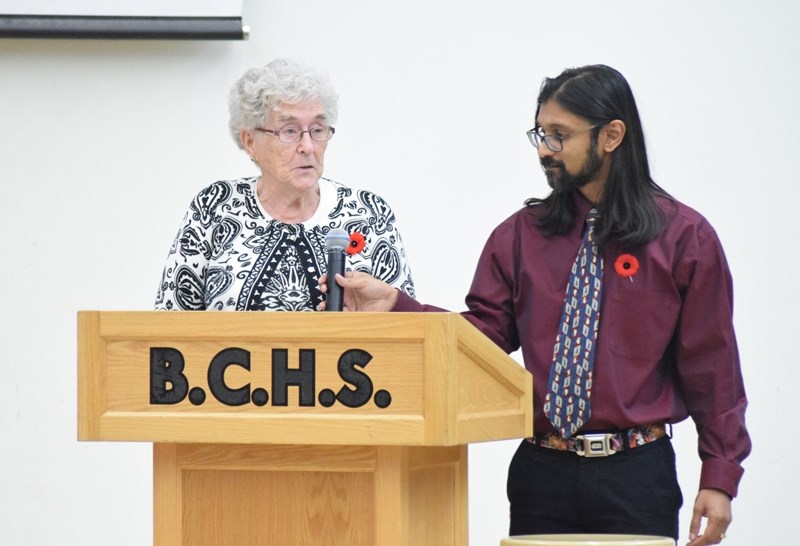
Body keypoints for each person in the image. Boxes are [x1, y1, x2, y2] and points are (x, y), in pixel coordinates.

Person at [319, 65, 750, 545]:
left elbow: (712, 366)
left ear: (611, 136)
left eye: (560, 135)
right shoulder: (520, 236)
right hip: (541, 473)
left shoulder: (684, 238)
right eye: (541, 134)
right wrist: (399, 305)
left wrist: (719, 476)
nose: (545, 149)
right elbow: (483, 338)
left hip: (637, 475)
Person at [154, 58, 415, 311]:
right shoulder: (215, 207)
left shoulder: (369, 213)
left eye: (318, 129)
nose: (308, 147)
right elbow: (168, 326)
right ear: (250, 141)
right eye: (289, 131)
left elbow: (410, 332)